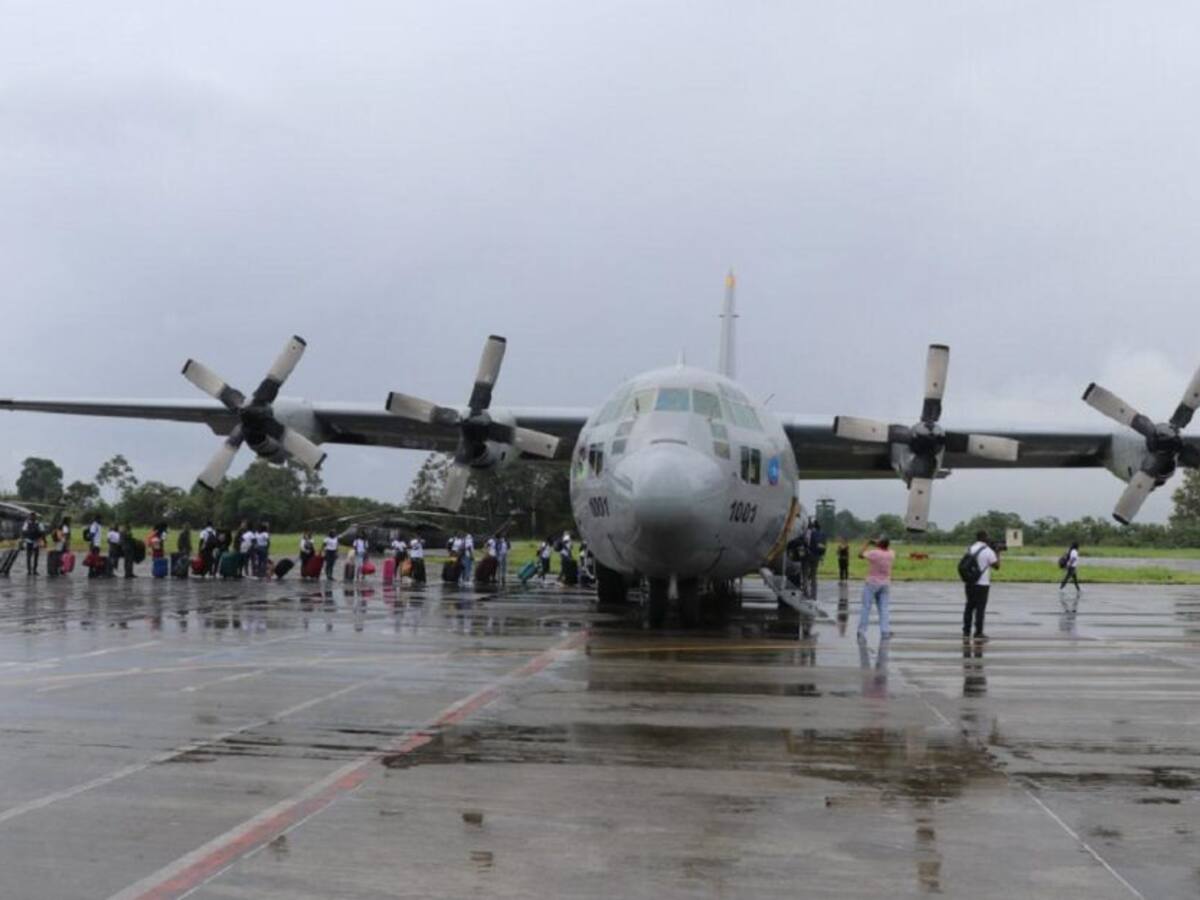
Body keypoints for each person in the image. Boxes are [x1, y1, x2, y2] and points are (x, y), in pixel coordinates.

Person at [962, 530, 1001, 642]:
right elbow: (997, 566)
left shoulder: (970, 548)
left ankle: (966, 631)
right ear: (985, 538)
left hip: (970, 582)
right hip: (982, 583)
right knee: (980, 609)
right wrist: (997, 552)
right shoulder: (988, 551)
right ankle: (978, 632)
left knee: (969, 607)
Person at [857, 536, 895, 639]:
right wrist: (879, 543)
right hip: (885, 584)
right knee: (884, 608)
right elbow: (885, 547)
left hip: (872, 583)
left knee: (866, 607)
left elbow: (860, 555)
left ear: (879, 544)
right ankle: (885, 631)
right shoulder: (891, 553)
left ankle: (862, 631)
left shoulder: (874, 553)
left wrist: (868, 542)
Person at [805, 519, 827, 597]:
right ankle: (814, 594)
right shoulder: (823, 534)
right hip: (818, 556)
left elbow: (806, 542)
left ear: (813, 526)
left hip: (809, 555)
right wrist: (822, 557)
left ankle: (806, 592)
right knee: (814, 575)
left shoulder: (811, 533)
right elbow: (824, 545)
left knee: (806, 573)